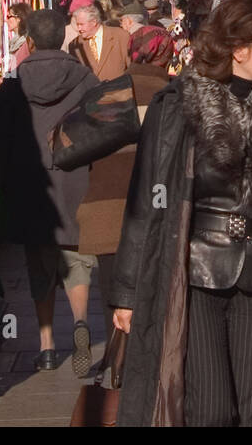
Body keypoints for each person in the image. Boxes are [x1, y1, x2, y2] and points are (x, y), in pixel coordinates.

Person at [110, 0, 252, 427]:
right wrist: (127, 291)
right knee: (210, 409)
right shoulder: (178, 107)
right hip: (192, 276)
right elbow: (145, 200)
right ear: (239, 49)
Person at [0, 8, 100, 375]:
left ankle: (48, 346)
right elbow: (101, 132)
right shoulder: (85, 78)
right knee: (77, 260)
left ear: (31, 40)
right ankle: (82, 322)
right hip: (75, 179)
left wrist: (7, 185)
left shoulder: (12, 84)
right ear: (63, 37)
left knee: (39, 266)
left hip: (31, 186)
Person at [53, 24, 175, 339]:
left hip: (106, 213)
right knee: (159, 305)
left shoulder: (108, 92)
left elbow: (68, 144)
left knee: (116, 308)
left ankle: (118, 371)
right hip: (158, 216)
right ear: (167, 55)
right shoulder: (177, 97)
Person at [69, 1, 130, 81]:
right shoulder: (75, 45)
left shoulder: (120, 36)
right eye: (77, 25)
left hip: (117, 91)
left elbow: (132, 68)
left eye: (82, 24)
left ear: (94, 22)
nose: (79, 29)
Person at [5, 2, 33, 75]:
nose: (6, 20)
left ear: (19, 18)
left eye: (9, 17)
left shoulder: (26, 43)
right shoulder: (15, 43)